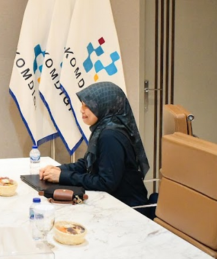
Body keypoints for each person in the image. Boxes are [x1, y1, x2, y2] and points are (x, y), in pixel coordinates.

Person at [39, 82, 151, 214]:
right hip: (112, 204)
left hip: (129, 211)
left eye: (88, 106)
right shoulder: (104, 128)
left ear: (104, 106)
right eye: (82, 104)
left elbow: (106, 183)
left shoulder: (110, 136)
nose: (81, 109)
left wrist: (62, 176)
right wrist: (59, 170)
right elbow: (88, 163)